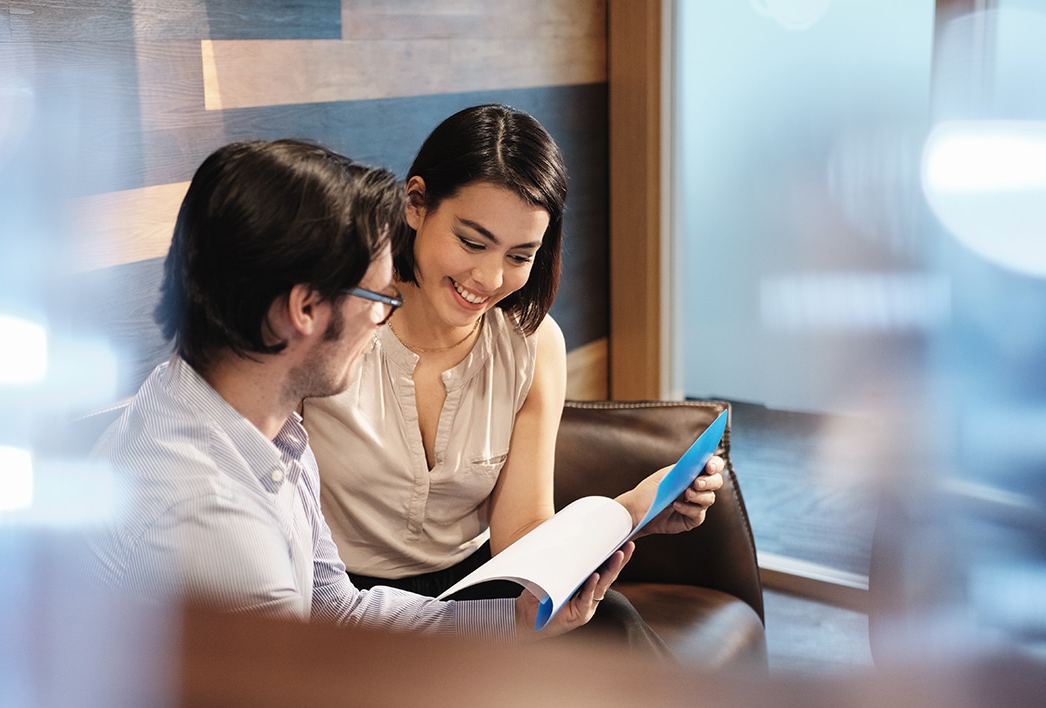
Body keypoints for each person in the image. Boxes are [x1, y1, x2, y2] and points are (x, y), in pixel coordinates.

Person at [88, 139, 630, 640]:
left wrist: (514, 621)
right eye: (376, 294)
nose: (381, 316)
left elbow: (336, 607)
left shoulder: (268, 434)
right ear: (303, 309)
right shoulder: (212, 517)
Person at [301, 105, 724, 653]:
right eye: (473, 242)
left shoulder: (532, 343)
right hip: (353, 601)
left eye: (520, 256)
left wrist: (637, 510)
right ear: (416, 204)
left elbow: (521, 535)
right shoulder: (340, 325)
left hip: (477, 584)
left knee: (610, 625)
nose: (490, 279)